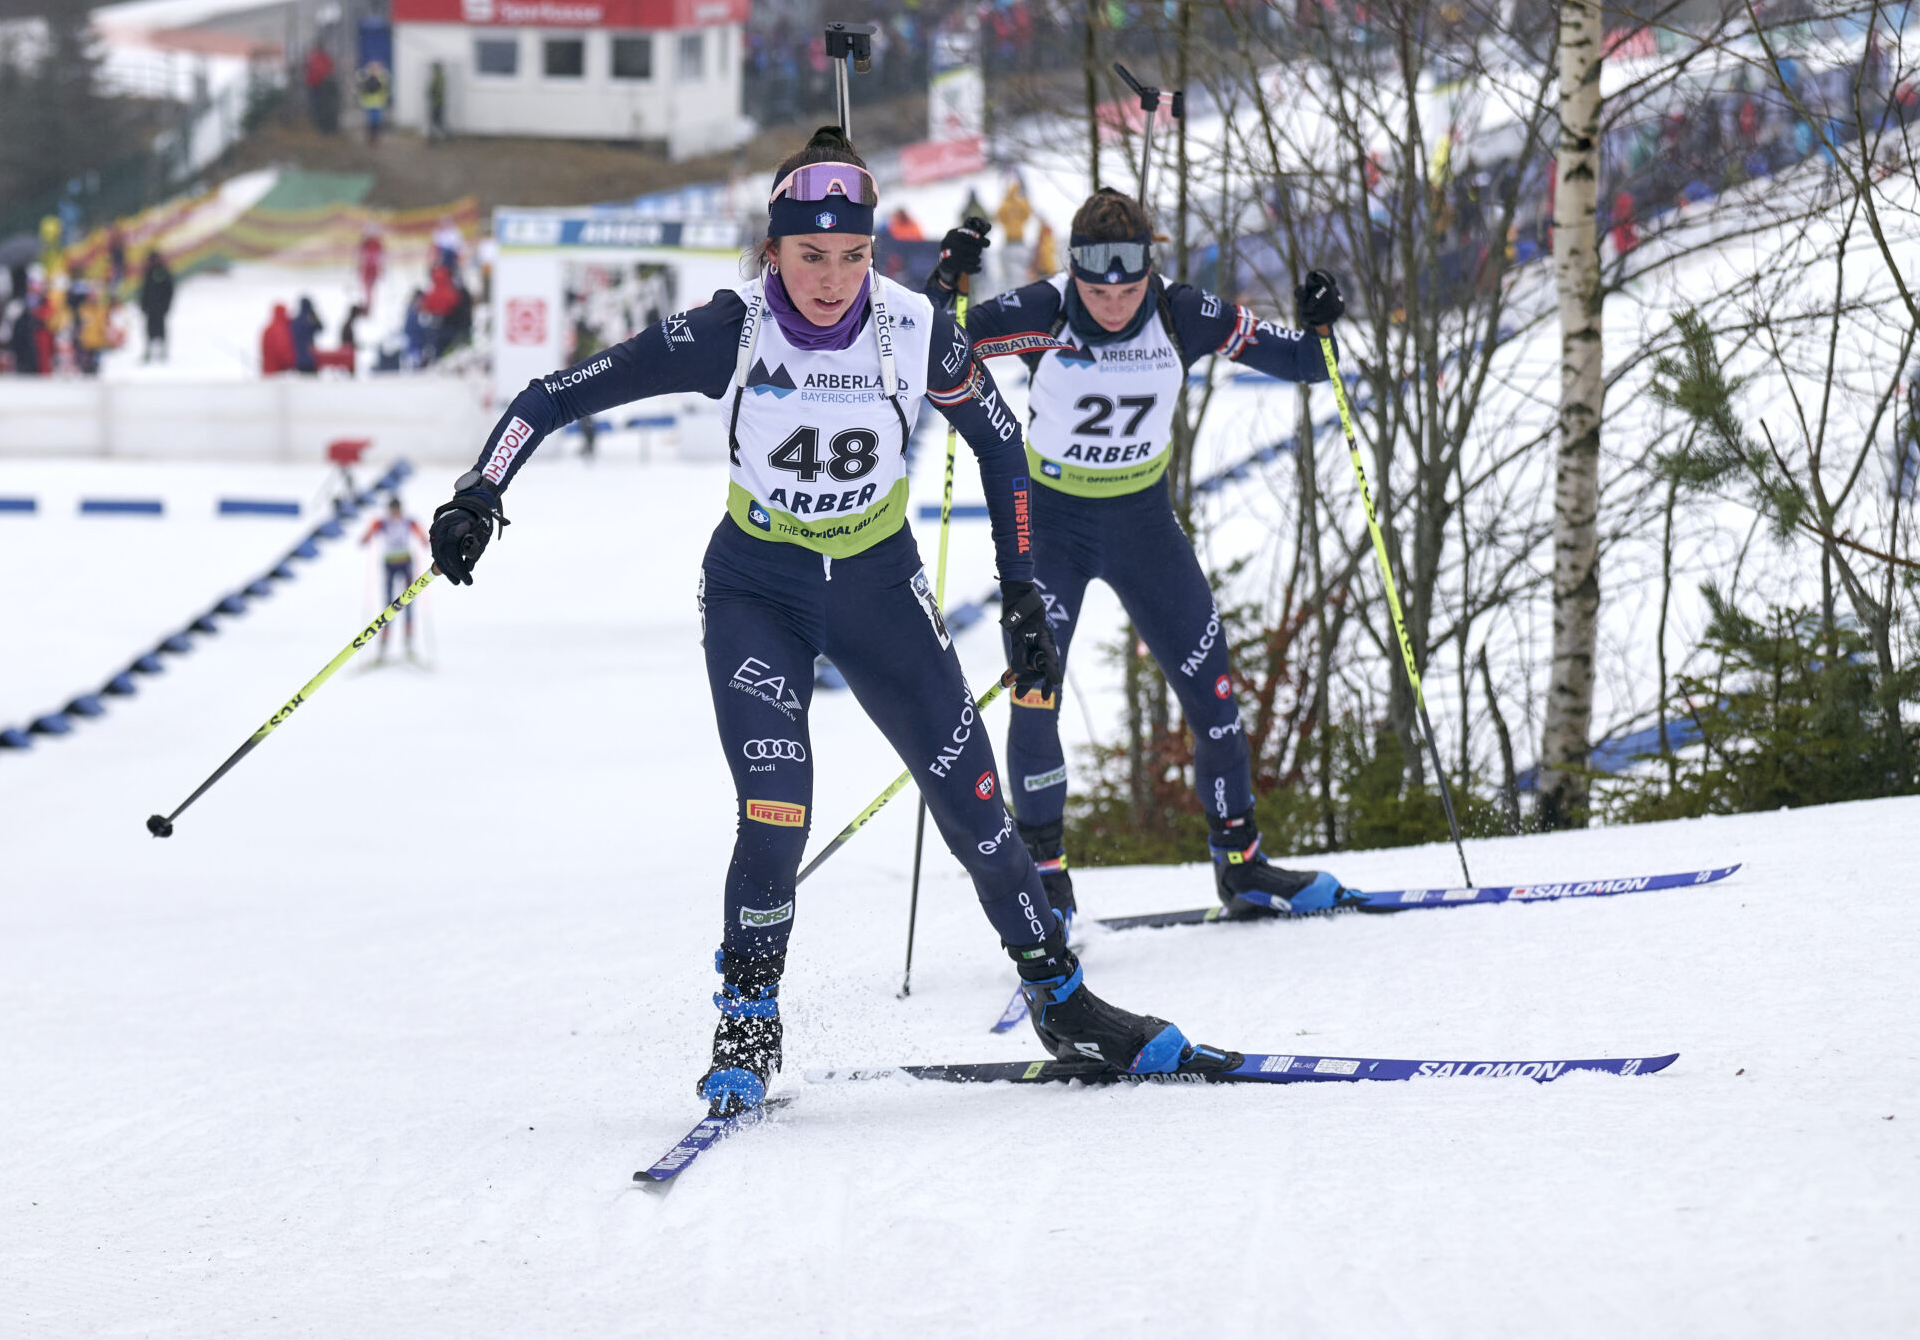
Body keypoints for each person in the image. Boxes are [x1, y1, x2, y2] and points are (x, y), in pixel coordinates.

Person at [429, 127, 1229, 1118]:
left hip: (878, 589)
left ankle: (1059, 997)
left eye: (851, 256)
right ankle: (749, 1018)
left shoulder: (912, 329)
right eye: (810, 257)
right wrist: (480, 490)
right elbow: (553, 394)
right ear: (772, 253)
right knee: (777, 806)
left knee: (977, 809)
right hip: (758, 592)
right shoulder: (730, 330)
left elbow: (1002, 446)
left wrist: (1018, 588)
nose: (832, 278)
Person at [927, 189, 1353, 922]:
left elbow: (1305, 362)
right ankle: (1045, 882)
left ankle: (1242, 864)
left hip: (1145, 525)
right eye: (1098, 288)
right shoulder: (1044, 308)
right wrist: (947, 280)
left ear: (1148, 272)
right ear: (1075, 275)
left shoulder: (1182, 310)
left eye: (1128, 288)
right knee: (1036, 696)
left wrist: (1320, 322)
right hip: (1053, 525)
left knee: (1214, 694)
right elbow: (936, 346)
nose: (1115, 302)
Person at [358, 493, 427, 659]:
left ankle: (409, 643)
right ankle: (384, 645)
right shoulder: (383, 523)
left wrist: (425, 540)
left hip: (405, 563)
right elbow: (364, 540)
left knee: (408, 602)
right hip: (390, 565)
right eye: (393, 510)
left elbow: (424, 540)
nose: (395, 513)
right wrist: (370, 529)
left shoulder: (408, 522)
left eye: (397, 510)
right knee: (389, 605)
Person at [138, 250, 175, 363]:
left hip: (160, 307)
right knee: (149, 329)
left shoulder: (163, 272)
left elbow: (169, 290)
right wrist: (143, 304)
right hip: (150, 307)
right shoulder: (148, 272)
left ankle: (163, 350)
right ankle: (148, 350)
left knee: (161, 328)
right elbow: (143, 290)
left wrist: (166, 305)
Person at [304, 41, 339, 135]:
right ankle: (319, 126)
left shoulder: (315, 57)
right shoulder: (317, 57)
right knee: (318, 107)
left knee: (319, 107)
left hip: (320, 86)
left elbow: (328, 69)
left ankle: (321, 126)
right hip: (316, 86)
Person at [357, 60, 391, 146]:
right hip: (371, 104)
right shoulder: (377, 79)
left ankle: (374, 138)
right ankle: (372, 138)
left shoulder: (380, 79)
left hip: (376, 104)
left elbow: (385, 91)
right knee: (372, 122)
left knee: (375, 122)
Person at [357, 223, 386, 314]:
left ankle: (369, 307)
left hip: (371, 271)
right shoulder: (365, 244)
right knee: (368, 290)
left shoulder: (377, 244)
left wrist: (381, 269)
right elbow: (360, 257)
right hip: (366, 271)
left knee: (369, 290)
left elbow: (381, 257)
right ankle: (368, 306)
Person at [260, 302, 295, 376]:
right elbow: (281, 349)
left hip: (268, 368)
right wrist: (290, 362)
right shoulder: (280, 329)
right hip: (278, 371)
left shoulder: (268, 328)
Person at [291, 296, 323, 375]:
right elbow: (320, 329)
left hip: (297, 358)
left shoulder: (296, 321)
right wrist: (315, 317)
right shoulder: (310, 320)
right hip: (310, 357)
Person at [425, 60, 449, 143]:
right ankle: (443, 136)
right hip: (439, 102)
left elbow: (434, 89)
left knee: (434, 121)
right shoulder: (441, 77)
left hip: (436, 103)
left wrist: (429, 93)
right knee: (438, 121)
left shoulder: (436, 77)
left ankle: (433, 138)